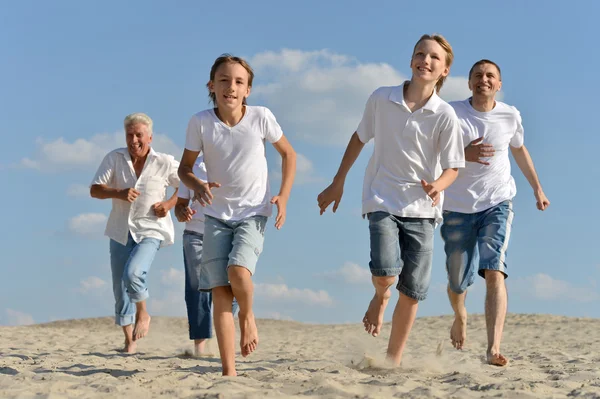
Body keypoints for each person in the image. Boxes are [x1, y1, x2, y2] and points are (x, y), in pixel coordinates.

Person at [317, 34, 465, 366]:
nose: (425, 60)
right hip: (381, 197)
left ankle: (392, 360)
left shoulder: (444, 115)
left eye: (434, 58)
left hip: (423, 210)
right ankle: (380, 294)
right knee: (385, 273)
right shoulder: (381, 99)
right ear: (411, 59)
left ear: (445, 70)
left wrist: (438, 185)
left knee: (412, 289)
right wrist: (337, 181)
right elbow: (358, 139)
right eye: (420, 54)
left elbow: (454, 166)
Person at [178, 54, 296, 376]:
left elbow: (288, 154)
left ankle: (248, 315)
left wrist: (283, 197)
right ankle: (228, 371)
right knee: (219, 292)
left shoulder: (261, 117)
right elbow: (184, 169)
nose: (231, 86)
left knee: (238, 272)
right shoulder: (200, 122)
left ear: (248, 90)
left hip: (252, 211)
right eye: (224, 80)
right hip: (215, 215)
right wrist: (197, 185)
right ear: (211, 86)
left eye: (239, 82)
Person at [442, 59, 550, 366]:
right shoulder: (452, 113)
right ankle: (460, 315)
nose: (483, 80)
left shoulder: (510, 115)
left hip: (497, 202)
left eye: (490, 76)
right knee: (457, 280)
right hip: (456, 208)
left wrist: (537, 188)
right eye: (478, 75)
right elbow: (432, 153)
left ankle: (493, 348)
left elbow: (519, 149)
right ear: (469, 82)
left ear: (499, 84)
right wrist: (465, 154)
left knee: (494, 268)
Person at [90, 112, 180, 353]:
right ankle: (129, 342)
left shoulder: (164, 162)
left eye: (139, 135)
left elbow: (185, 186)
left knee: (133, 273)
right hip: (120, 229)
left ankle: (144, 313)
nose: (134, 140)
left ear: (150, 137)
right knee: (120, 289)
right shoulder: (114, 158)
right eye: (129, 135)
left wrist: (169, 205)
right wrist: (118, 193)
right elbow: (95, 190)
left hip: (150, 229)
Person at [174, 154, 238, 356]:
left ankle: (223, 332)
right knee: (197, 289)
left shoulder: (235, 161)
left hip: (226, 232)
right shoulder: (191, 167)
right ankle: (200, 347)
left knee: (233, 286)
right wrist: (182, 211)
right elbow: (180, 205)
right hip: (195, 233)